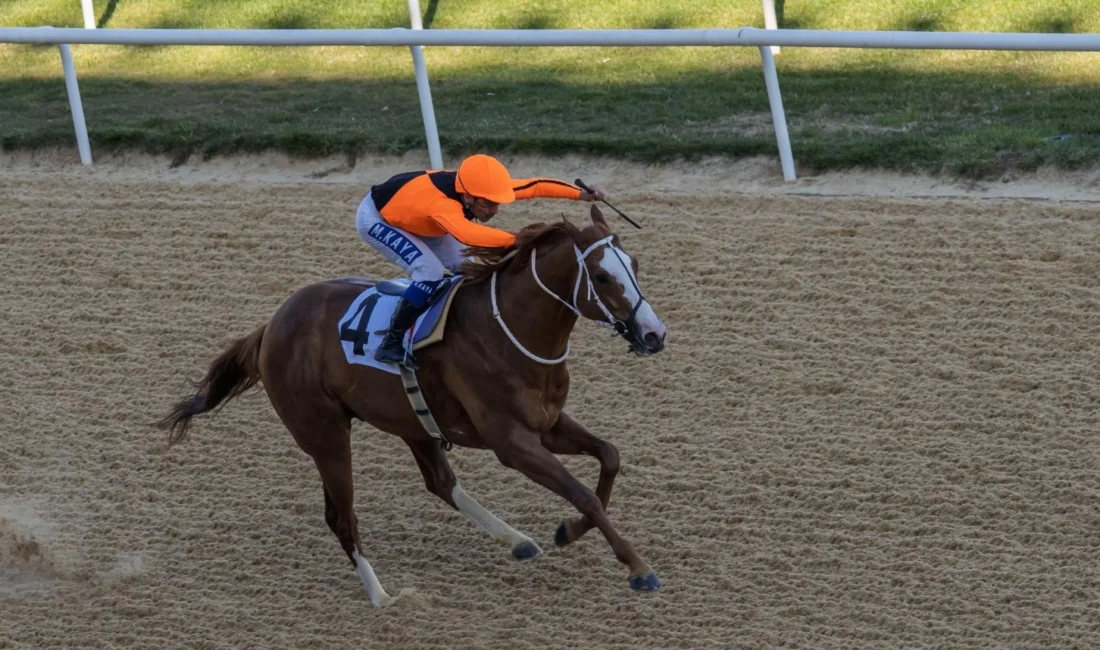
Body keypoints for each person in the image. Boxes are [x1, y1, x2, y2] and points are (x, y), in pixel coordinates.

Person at [355, 153, 606, 370]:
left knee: (470, 266)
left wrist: (580, 194)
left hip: (421, 219)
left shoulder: (478, 189)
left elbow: (534, 186)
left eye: (496, 203)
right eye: (487, 204)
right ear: (467, 196)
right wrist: (522, 240)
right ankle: (391, 341)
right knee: (428, 271)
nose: (493, 210)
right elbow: (468, 234)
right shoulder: (442, 205)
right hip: (380, 219)